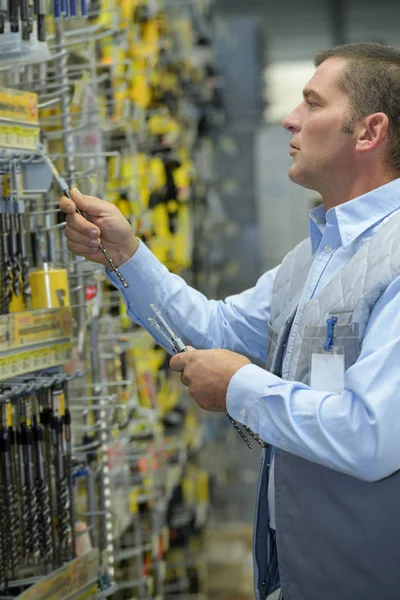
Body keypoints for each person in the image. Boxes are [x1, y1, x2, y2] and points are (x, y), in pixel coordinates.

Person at [60, 42, 400, 600]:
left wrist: (240, 387)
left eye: (313, 104)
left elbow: (371, 435)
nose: (291, 118)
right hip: (292, 576)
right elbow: (215, 331)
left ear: (369, 132)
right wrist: (125, 254)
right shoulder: (312, 258)